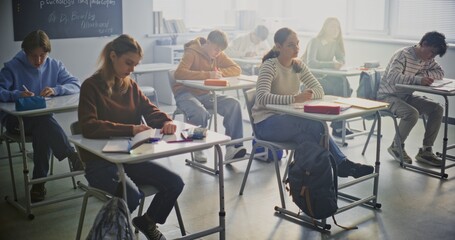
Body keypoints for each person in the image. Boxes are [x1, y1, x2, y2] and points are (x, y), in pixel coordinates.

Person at [78, 34, 184, 240]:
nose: (132, 69)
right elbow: (89, 127)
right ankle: (111, 234)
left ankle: (147, 221)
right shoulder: (91, 86)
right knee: (132, 196)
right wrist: (130, 129)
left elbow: (150, 109)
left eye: (135, 64)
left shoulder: (130, 85)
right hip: (100, 163)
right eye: (128, 63)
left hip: (130, 158)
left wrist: (164, 121)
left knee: (175, 183)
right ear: (112, 56)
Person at [253, 27, 373, 179]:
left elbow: (318, 89)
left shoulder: (298, 65)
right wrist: (294, 98)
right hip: (266, 123)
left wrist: (306, 95)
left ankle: (315, 188)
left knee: (310, 141)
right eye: (291, 45)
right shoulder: (270, 65)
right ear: (278, 46)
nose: (296, 48)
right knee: (316, 125)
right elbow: (263, 97)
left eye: (297, 43)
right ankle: (341, 165)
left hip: (288, 120)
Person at [0, 30, 83, 203]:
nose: (38, 61)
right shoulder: (12, 67)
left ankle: (38, 185)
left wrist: (56, 89)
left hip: (42, 123)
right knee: (44, 122)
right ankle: (72, 155)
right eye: (33, 56)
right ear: (25, 52)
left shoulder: (54, 65)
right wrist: (16, 95)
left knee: (43, 128)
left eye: (42, 56)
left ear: (47, 53)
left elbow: (76, 84)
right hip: (16, 122)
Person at [173, 29, 246, 163]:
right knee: (199, 112)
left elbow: (236, 69)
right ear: (207, 42)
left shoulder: (218, 54)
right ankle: (197, 146)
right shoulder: (192, 52)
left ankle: (233, 148)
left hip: (206, 93)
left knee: (233, 104)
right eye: (216, 48)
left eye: (220, 50)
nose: (218, 52)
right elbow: (179, 74)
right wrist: (208, 74)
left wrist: (219, 73)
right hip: (185, 93)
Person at [377, 31, 447, 166]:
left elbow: (440, 72)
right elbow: (393, 77)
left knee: (437, 109)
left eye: (435, 55)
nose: (432, 57)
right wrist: (418, 79)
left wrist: (422, 73)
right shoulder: (403, 55)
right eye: (431, 52)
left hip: (406, 96)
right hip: (387, 97)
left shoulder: (427, 59)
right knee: (411, 113)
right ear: (424, 44)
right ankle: (396, 146)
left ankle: (426, 151)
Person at [301, 17, 353, 138]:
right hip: (313, 79)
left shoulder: (335, 43)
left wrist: (340, 62)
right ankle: (339, 126)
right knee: (342, 87)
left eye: (337, 27)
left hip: (327, 77)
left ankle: (339, 125)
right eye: (332, 26)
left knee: (343, 82)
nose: (335, 30)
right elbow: (311, 63)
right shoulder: (315, 41)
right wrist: (331, 64)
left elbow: (341, 59)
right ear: (325, 28)